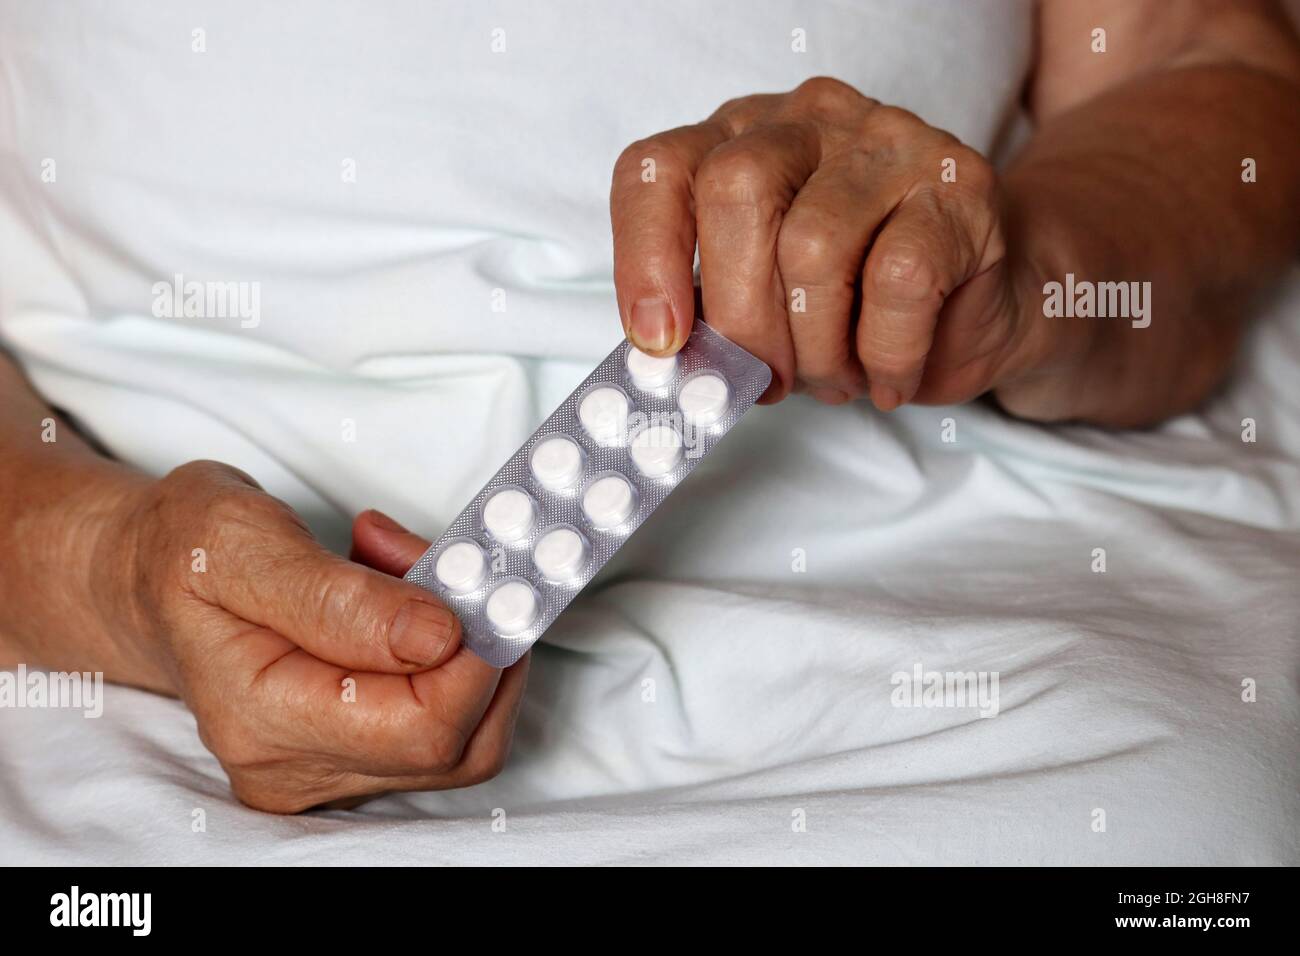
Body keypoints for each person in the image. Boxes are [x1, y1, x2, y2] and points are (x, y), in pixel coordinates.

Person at [0, 0, 1297, 813]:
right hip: (129, 664)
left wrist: (1021, 271)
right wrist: (93, 566)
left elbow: (1203, 62)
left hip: (948, 609)